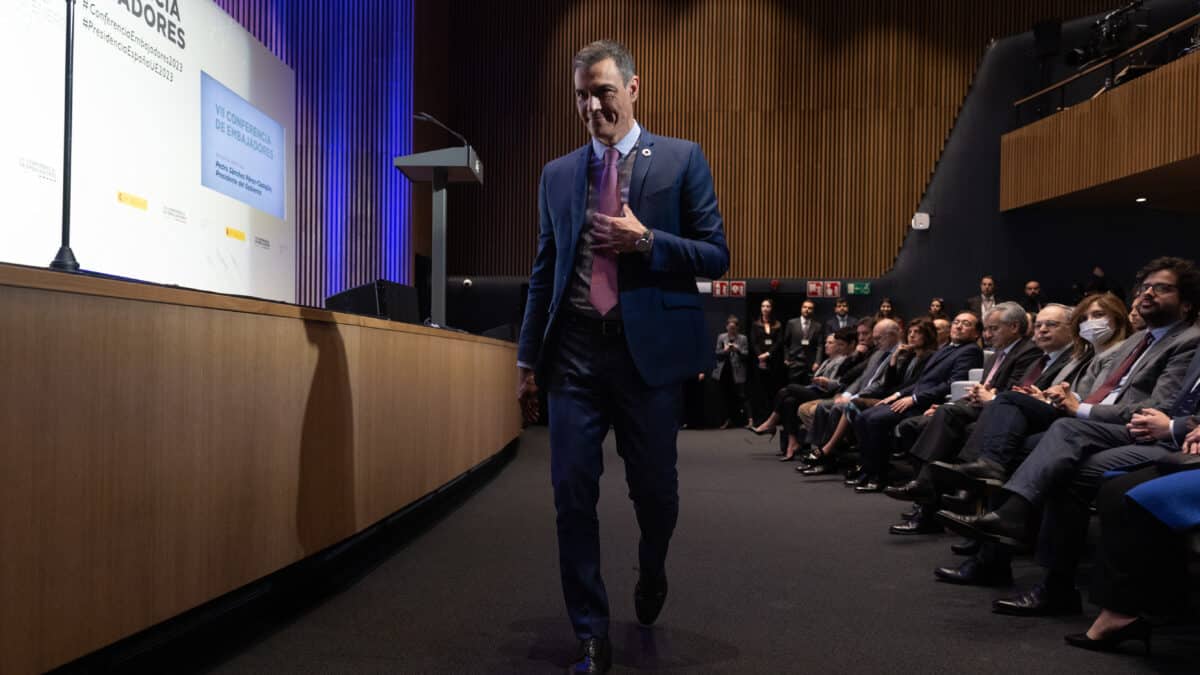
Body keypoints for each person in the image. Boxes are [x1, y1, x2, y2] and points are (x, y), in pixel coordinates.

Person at [515, 40, 729, 674]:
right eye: (581, 94)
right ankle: (589, 632)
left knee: (655, 492)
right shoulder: (556, 174)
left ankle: (653, 563)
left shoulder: (683, 160)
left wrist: (649, 241)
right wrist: (529, 358)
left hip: (648, 358)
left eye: (603, 91)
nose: (591, 105)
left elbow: (717, 256)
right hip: (575, 353)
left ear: (635, 89)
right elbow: (544, 270)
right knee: (570, 494)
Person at [938, 258, 1200, 616]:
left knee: (1062, 443)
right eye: (1145, 287)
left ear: (1186, 302)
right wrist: (1062, 396)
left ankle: (1033, 557)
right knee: (1018, 438)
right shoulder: (1140, 339)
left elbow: (1157, 408)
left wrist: (1080, 408)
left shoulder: (1188, 340)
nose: (1148, 293)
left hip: (1127, 430)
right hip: (1091, 421)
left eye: (1163, 288)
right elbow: (1098, 386)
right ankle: (994, 549)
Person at [749, 299, 784, 425]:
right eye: (763, 306)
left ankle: (772, 419)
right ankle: (760, 420)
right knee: (760, 390)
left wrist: (768, 354)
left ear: (771, 308)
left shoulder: (778, 324)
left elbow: (779, 342)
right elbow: (753, 342)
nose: (765, 308)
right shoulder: (755, 324)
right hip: (759, 361)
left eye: (768, 306)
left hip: (774, 361)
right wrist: (760, 356)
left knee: (773, 390)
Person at [713, 315, 750, 429]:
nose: (731, 330)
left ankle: (748, 419)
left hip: (737, 372)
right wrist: (725, 350)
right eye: (730, 328)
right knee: (724, 397)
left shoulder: (743, 338)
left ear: (737, 328)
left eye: (734, 328)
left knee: (741, 396)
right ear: (726, 327)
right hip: (724, 372)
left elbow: (746, 355)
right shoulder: (721, 337)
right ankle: (727, 420)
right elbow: (717, 354)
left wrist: (737, 349)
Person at [783, 300, 823, 384]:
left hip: (810, 363)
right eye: (805, 307)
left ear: (813, 310)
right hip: (794, 362)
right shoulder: (792, 323)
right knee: (793, 387)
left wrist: (817, 362)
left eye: (810, 308)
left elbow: (820, 345)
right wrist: (786, 358)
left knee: (807, 389)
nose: (807, 309)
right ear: (801, 308)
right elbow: (786, 343)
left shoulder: (817, 326)